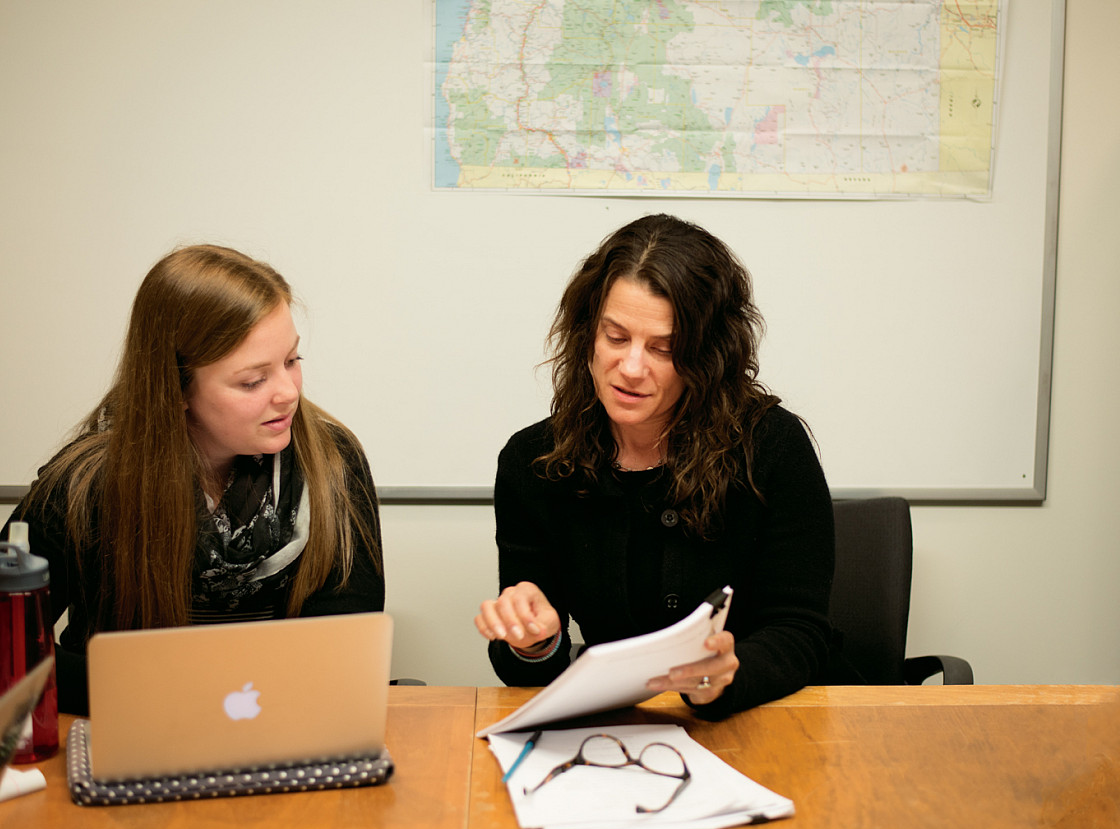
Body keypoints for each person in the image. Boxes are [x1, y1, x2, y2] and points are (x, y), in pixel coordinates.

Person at [474, 214, 835, 718]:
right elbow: (529, 667)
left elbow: (801, 633)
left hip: (757, 720)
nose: (631, 368)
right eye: (615, 337)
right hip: (619, 731)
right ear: (587, 335)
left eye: (664, 348)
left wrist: (727, 677)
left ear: (707, 357)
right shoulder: (535, 461)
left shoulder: (771, 445)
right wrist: (533, 641)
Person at [3, 245, 385, 714]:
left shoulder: (332, 461)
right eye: (252, 381)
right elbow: (9, 650)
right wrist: (167, 695)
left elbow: (344, 647)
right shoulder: (83, 485)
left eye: (292, 360)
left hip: (284, 721)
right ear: (175, 387)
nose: (288, 393)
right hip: (128, 725)